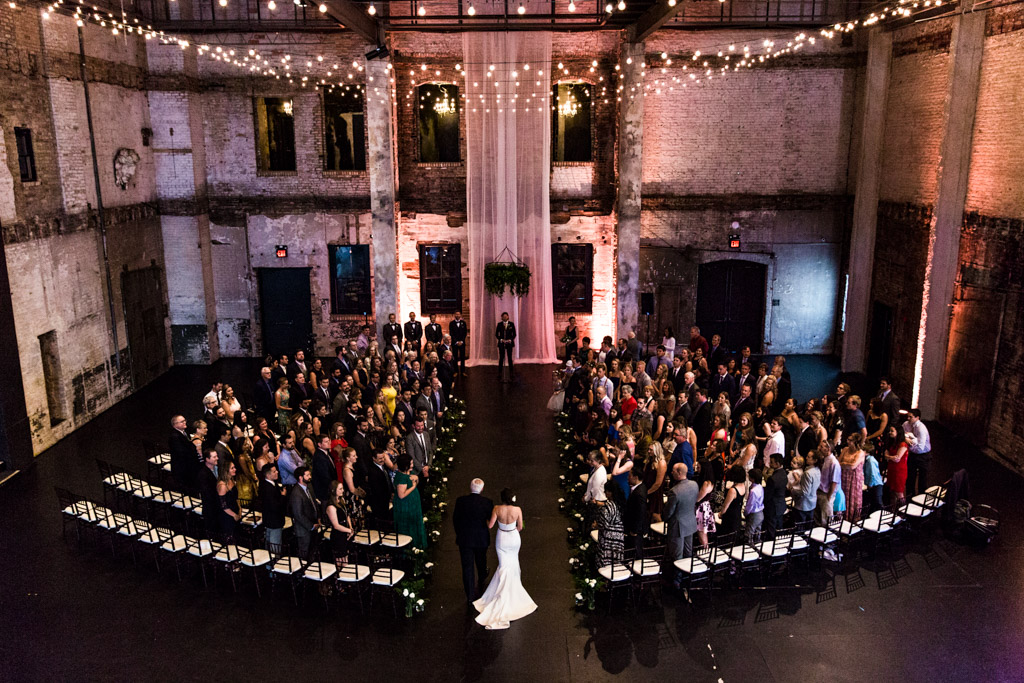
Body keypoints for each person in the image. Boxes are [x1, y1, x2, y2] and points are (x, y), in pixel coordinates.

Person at [474, 488, 538, 630]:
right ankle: (512, 591)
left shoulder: (497, 508)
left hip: (501, 538)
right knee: (513, 563)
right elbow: (520, 527)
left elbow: (490, 525)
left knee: (503, 566)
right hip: (514, 538)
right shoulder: (518, 510)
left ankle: (501, 593)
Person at [453, 478, 495, 602]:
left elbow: (456, 519)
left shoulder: (460, 501)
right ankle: (482, 576)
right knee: (481, 560)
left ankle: (470, 595)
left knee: (467, 567)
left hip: (465, 539)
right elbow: (490, 519)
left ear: (470, 487)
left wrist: (459, 533)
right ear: (482, 489)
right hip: (481, 539)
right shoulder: (487, 502)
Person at [664, 462, 699, 562]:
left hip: (677, 527)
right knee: (688, 553)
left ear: (679, 473)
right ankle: (687, 576)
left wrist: (664, 518)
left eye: (673, 471)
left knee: (677, 556)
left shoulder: (674, 491)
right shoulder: (694, 485)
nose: (671, 472)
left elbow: (669, 511)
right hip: (690, 523)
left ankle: (677, 577)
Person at [394, 454, 428, 548]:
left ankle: (418, 545)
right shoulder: (401, 478)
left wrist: (416, 478)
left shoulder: (408, 473)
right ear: (405, 465)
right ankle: (411, 548)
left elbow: (416, 478)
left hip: (413, 503)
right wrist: (413, 487)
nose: (412, 465)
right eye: (411, 463)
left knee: (415, 522)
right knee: (409, 525)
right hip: (406, 506)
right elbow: (401, 495)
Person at [287, 466, 320, 559]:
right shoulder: (296, 493)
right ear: (300, 478)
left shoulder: (309, 486)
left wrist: (318, 518)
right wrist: (311, 526)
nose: (310, 477)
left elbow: (314, 502)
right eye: (307, 475)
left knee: (313, 550)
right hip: (303, 529)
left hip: (314, 524)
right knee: (304, 553)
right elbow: (298, 514)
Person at [324, 480, 355, 564]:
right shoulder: (331, 506)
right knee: (340, 561)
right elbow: (336, 525)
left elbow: (347, 515)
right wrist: (349, 530)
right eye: (340, 489)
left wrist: (350, 527)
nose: (343, 491)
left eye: (342, 489)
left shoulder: (342, 500)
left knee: (346, 558)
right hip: (338, 536)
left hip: (345, 532)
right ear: (334, 491)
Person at [903, 408, 931, 497]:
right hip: (913, 454)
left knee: (923, 480)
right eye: (907, 416)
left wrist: (910, 444)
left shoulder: (921, 428)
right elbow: (901, 434)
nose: (908, 418)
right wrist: (905, 439)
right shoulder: (906, 424)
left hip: (923, 456)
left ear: (917, 418)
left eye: (910, 417)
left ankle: (921, 499)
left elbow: (920, 448)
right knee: (910, 477)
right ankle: (909, 497)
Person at [596, 481, 625, 568]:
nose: (605, 493)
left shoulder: (607, 507)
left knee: (606, 560)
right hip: (618, 536)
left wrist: (595, 525)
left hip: (608, 537)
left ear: (610, 493)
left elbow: (603, 524)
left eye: (606, 491)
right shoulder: (620, 504)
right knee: (615, 560)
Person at [839, 433, 866, 522]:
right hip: (844, 477)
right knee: (844, 497)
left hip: (854, 479)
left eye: (850, 440)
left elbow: (853, 466)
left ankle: (852, 521)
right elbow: (839, 463)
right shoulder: (845, 449)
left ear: (855, 442)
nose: (848, 442)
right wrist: (845, 465)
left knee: (853, 499)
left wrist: (844, 464)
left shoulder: (860, 453)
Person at [259, 463, 287, 548]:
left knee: (269, 543)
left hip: (269, 520)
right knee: (275, 547)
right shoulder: (268, 489)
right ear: (268, 475)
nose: (277, 472)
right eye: (274, 471)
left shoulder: (266, 484)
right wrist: (283, 496)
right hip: (274, 521)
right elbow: (275, 506)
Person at [169, 414, 198, 492]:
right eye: (182, 422)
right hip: (182, 468)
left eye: (185, 420)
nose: (185, 422)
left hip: (187, 465)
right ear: (175, 425)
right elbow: (181, 453)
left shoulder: (184, 432)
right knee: (187, 488)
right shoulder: (174, 437)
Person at [694, 458, 718, 548]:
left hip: (701, 508)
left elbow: (698, 498)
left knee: (701, 532)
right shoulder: (710, 481)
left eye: (699, 467)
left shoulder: (706, 483)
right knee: (703, 532)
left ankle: (705, 551)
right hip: (705, 507)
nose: (697, 469)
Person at [816, 442, 842, 526]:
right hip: (820, 491)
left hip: (826, 494)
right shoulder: (825, 459)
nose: (819, 448)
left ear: (828, 449)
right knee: (818, 518)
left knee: (826, 520)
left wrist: (829, 496)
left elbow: (834, 481)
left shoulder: (834, 462)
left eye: (822, 447)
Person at [623, 468, 648, 556]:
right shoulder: (641, 487)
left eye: (630, 476)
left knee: (636, 549)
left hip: (636, 529)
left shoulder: (639, 493)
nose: (628, 478)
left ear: (636, 477)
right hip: (634, 526)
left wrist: (635, 530)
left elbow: (640, 513)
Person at [718, 465, 747, 537]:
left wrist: (721, 513)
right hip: (737, 513)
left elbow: (725, 505)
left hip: (730, 515)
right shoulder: (743, 486)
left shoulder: (733, 490)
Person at [763, 452, 788, 536]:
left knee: (771, 529)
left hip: (772, 507)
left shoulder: (772, 479)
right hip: (781, 505)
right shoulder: (784, 473)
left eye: (771, 462)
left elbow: (767, 496)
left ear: (777, 464)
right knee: (779, 527)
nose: (769, 463)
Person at [792, 451, 820, 525]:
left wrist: (793, 491)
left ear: (815, 460)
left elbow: (805, 492)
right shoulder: (817, 470)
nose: (806, 458)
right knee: (808, 526)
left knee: (800, 527)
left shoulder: (808, 473)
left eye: (809, 457)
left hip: (804, 504)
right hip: (812, 502)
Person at [884, 425, 909, 506]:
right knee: (892, 491)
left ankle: (903, 510)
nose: (890, 433)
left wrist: (888, 457)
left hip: (899, 471)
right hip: (892, 469)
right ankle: (893, 509)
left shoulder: (903, 444)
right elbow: (886, 455)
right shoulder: (893, 442)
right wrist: (890, 457)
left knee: (899, 493)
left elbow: (897, 458)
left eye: (892, 431)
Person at [198, 449, 220, 538]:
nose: (217, 458)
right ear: (207, 459)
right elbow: (207, 494)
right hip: (211, 508)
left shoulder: (217, 469)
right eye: (214, 457)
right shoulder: (203, 474)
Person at [217, 461, 241, 541]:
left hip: (235, 512)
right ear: (226, 470)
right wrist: (234, 515)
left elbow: (236, 497)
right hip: (227, 516)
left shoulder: (232, 480)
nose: (235, 469)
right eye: (232, 468)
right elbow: (223, 505)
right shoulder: (222, 486)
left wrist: (240, 509)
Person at [744, 468, 765, 542]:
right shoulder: (760, 487)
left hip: (754, 514)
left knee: (749, 533)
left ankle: (749, 548)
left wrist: (746, 513)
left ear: (752, 478)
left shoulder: (753, 491)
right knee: (757, 532)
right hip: (761, 512)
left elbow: (750, 504)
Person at [496, 312, 516, 381]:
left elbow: (514, 334)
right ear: (501, 317)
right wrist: (501, 339)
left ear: (508, 317)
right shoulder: (499, 324)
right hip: (502, 343)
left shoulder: (511, 324)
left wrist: (510, 339)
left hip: (509, 343)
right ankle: (500, 373)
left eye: (506, 316)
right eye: (503, 316)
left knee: (510, 358)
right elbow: (496, 334)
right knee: (501, 358)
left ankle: (511, 373)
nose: (504, 317)